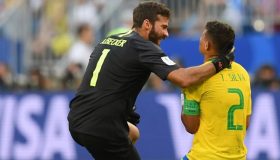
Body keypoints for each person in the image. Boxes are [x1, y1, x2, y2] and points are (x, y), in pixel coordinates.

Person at [67, 2, 233, 159]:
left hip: (77, 119)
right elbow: (184, 79)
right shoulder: (143, 46)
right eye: (164, 27)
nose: (166, 34)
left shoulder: (108, 40)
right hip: (102, 126)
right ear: (147, 24)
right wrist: (222, 61)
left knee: (132, 133)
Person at [181, 21, 251, 160]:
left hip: (204, 156)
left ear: (207, 45)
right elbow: (246, 122)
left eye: (202, 36)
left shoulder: (196, 78)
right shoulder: (243, 73)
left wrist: (184, 98)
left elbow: (191, 127)